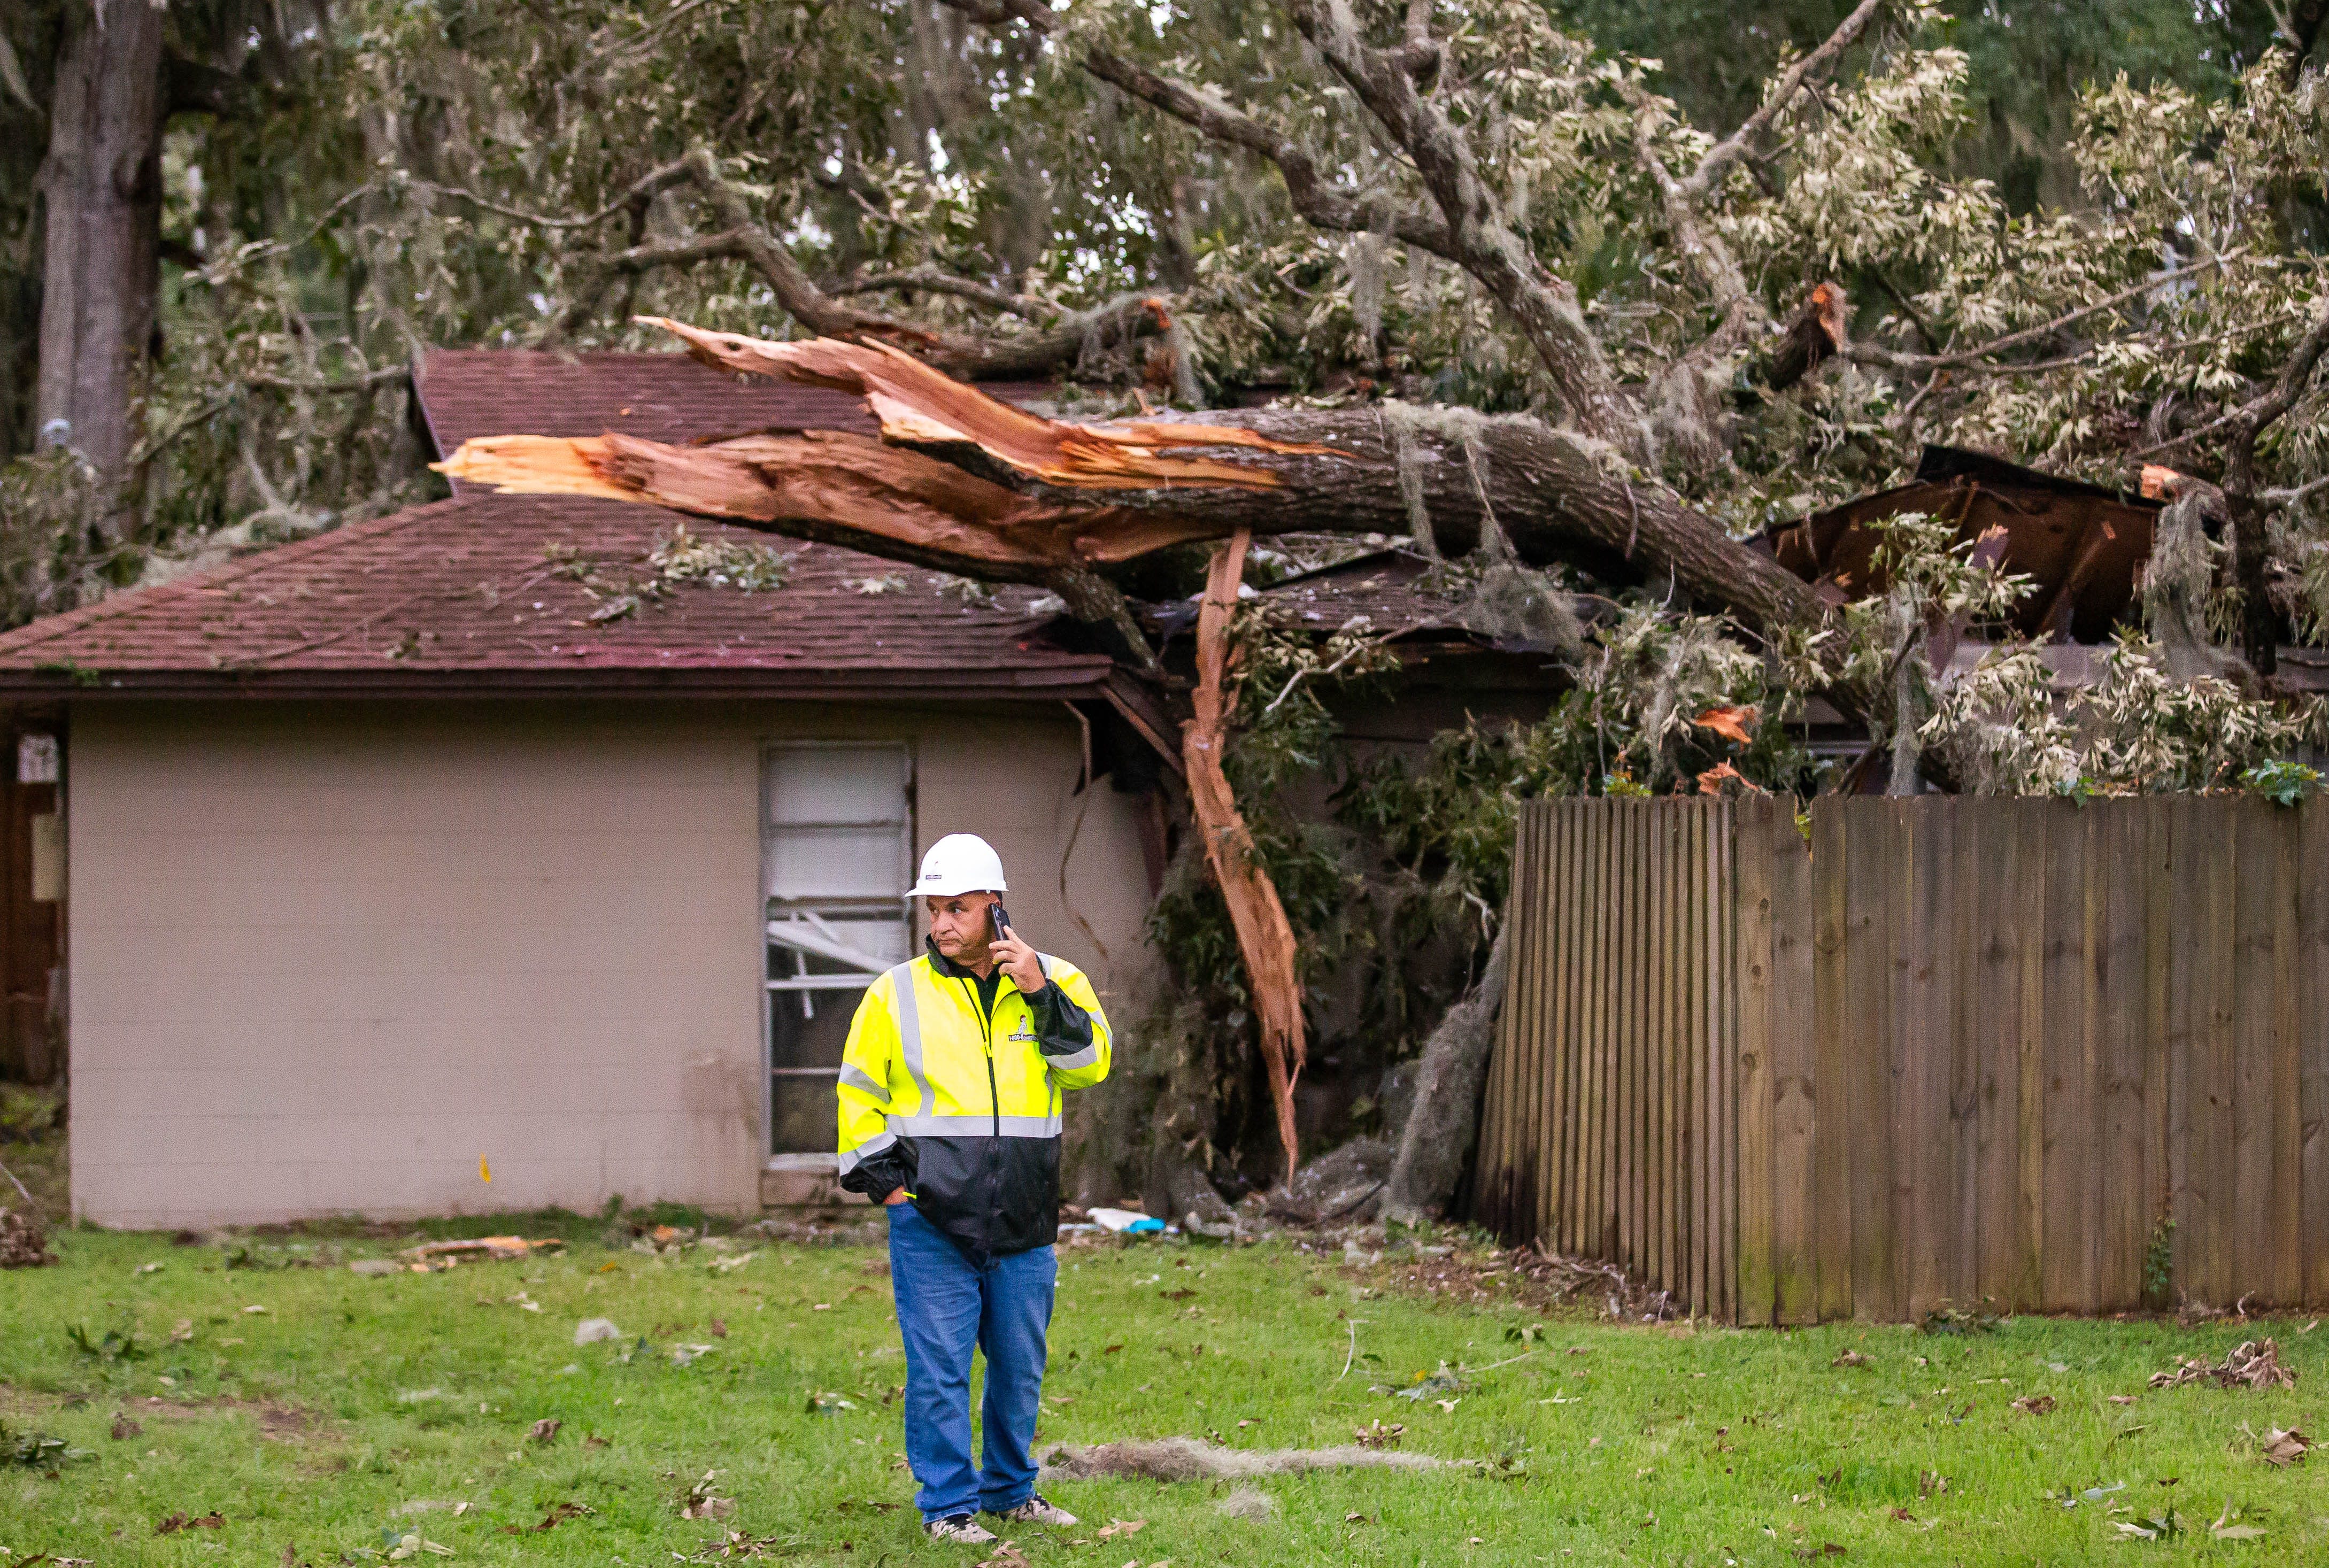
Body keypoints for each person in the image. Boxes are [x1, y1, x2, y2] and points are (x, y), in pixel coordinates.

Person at [836, 832, 1112, 1544]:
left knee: (1020, 1371)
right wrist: (891, 1189)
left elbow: (1090, 1066)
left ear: (996, 905)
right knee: (939, 1374)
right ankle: (948, 1508)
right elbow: (858, 1095)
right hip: (931, 1222)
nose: (941, 924)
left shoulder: (1059, 982)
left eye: (957, 907)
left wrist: (1038, 991)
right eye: (934, 909)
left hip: (1024, 1221)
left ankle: (1011, 1491)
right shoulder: (893, 994)